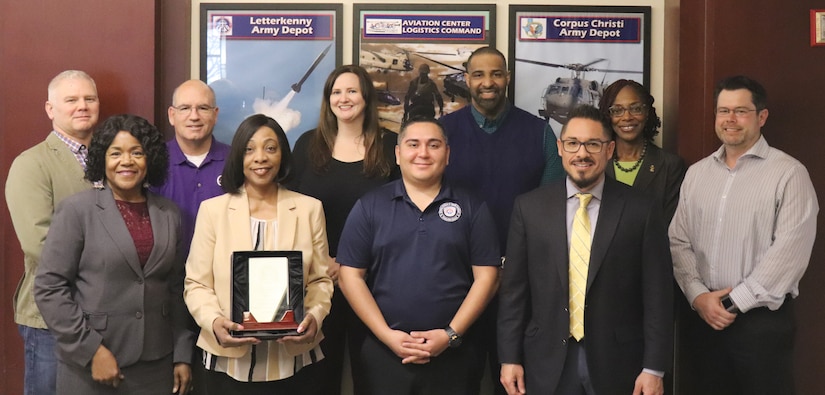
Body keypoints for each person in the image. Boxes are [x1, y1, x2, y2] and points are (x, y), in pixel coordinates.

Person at [498, 105, 673, 395]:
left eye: (593, 144)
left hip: (620, 364)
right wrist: (509, 357)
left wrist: (654, 367)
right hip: (545, 361)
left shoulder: (641, 209)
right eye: (573, 143)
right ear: (560, 149)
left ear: (609, 149)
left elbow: (658, 294)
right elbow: (514, 292)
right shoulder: (529, 208)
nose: (582, 153)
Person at [669, 75, 818, 395]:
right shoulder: (696, 174)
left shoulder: (789, 174)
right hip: (702, 319)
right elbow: (679, 241)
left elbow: (789, 254)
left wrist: (730, 303)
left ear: (761, 116)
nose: (730, 120)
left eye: (740, 111)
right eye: (723, 111)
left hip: (760, 325)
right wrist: (698, 297)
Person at [337, 117, 500, 395]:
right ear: (398, 154)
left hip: (455, 356)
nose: (423, 153)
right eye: (413, 145)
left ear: (447, 154)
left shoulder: (472, 207)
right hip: (384, 355)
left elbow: (488, 278)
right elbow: (349, 276)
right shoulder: (369, 207)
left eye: (433, 145)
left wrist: (449, 335)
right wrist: (387, 336)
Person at [34, 114, 195, 394]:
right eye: (115, 153)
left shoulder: (169, 214)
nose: (127, 161)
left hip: (156, 365)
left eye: (137, 152)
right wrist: (92, 350)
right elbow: (49, 288)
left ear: (150, 159)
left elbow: (177, 287)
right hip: (91, 366)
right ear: (101, 159)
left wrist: (182, 353)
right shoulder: (77, 210)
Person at [439, 46, 564, 394]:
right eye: (478, 74)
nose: (488, 82)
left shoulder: (540, 134)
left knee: (513, 382)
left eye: (496, 73)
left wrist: (517, 265)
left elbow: (552, 210)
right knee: (454, 382)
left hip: (520, 287)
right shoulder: (442, 133)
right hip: (455, 285)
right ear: (467, 80)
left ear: (507, 78)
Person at [183, 114, 333, 394]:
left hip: (293, 358)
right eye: (250, 149)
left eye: (270, 148)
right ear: (238, 156)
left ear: (282, 156)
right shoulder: (213, 211)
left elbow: (320, 281)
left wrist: (314, 315)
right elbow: (196, 283)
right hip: (227, 361)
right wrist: (214, 322)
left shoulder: (309, 209)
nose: (260, 158)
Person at [288, 65, 399, 394]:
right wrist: (326, 263)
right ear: (327, 99)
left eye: (351, 90)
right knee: (320, 378)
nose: (344, 98)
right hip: (321, 281)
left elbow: (401, 216)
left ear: (366, 97)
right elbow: (292, 213)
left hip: (378, 282)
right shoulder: (308, 145)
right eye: (336, 92)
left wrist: (356, 266)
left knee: (375, 376)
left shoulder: (391, 144)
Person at [5, 70, 100, 395]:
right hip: (51, 319)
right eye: (71, 100)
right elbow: (39, 244)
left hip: (104, 316)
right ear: (50, 109)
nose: (82, 106)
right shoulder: (31, 164)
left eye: (89, 98)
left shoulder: (110, 160)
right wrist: (108, 272)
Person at [151, 79, 229, 395]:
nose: (194, 115)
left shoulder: (237, 160)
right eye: (185, 108)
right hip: (165, 290)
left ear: (215, 114)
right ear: (171, 115)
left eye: (203, 108)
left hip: (222, 291)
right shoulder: (151, 163)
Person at [598, 79, 686, 224]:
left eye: (636, 109)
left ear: (647, 113)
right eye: (617, 110)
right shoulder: (596, 162)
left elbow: (670, 227)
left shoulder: (670, 166)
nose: (627, 117)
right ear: (608, 116)